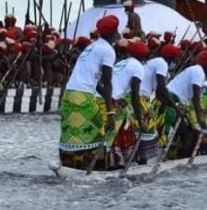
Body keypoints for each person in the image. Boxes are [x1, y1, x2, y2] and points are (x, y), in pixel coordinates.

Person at [59, 14, 119, 171]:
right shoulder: (108, 50)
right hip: (83, 97)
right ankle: (99, 168)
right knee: (101, 127)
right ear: (114, 33)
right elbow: (107, 82)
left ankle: (70, 164)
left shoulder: (91, 47)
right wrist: (111, 113)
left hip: (69, 94)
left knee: (71, 133)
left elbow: (95, 82)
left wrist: (110, 99)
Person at [161, 48, 207, 159]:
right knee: (188, 134)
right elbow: (196, 99)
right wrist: (201, 121)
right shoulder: (199, 72)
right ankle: (181, 161)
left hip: (173, 100)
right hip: (172, 101)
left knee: (189, 131)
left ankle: (177, 155)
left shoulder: (194, 69)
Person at [109, 40, 148, 168]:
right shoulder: (138, 67)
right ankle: (122, 162)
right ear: (143, 56)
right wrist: (140, 119)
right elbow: (135, 96)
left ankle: (117, 160)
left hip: (105, 97)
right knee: (125, 129)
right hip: (112, 101)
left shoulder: (122, 62)